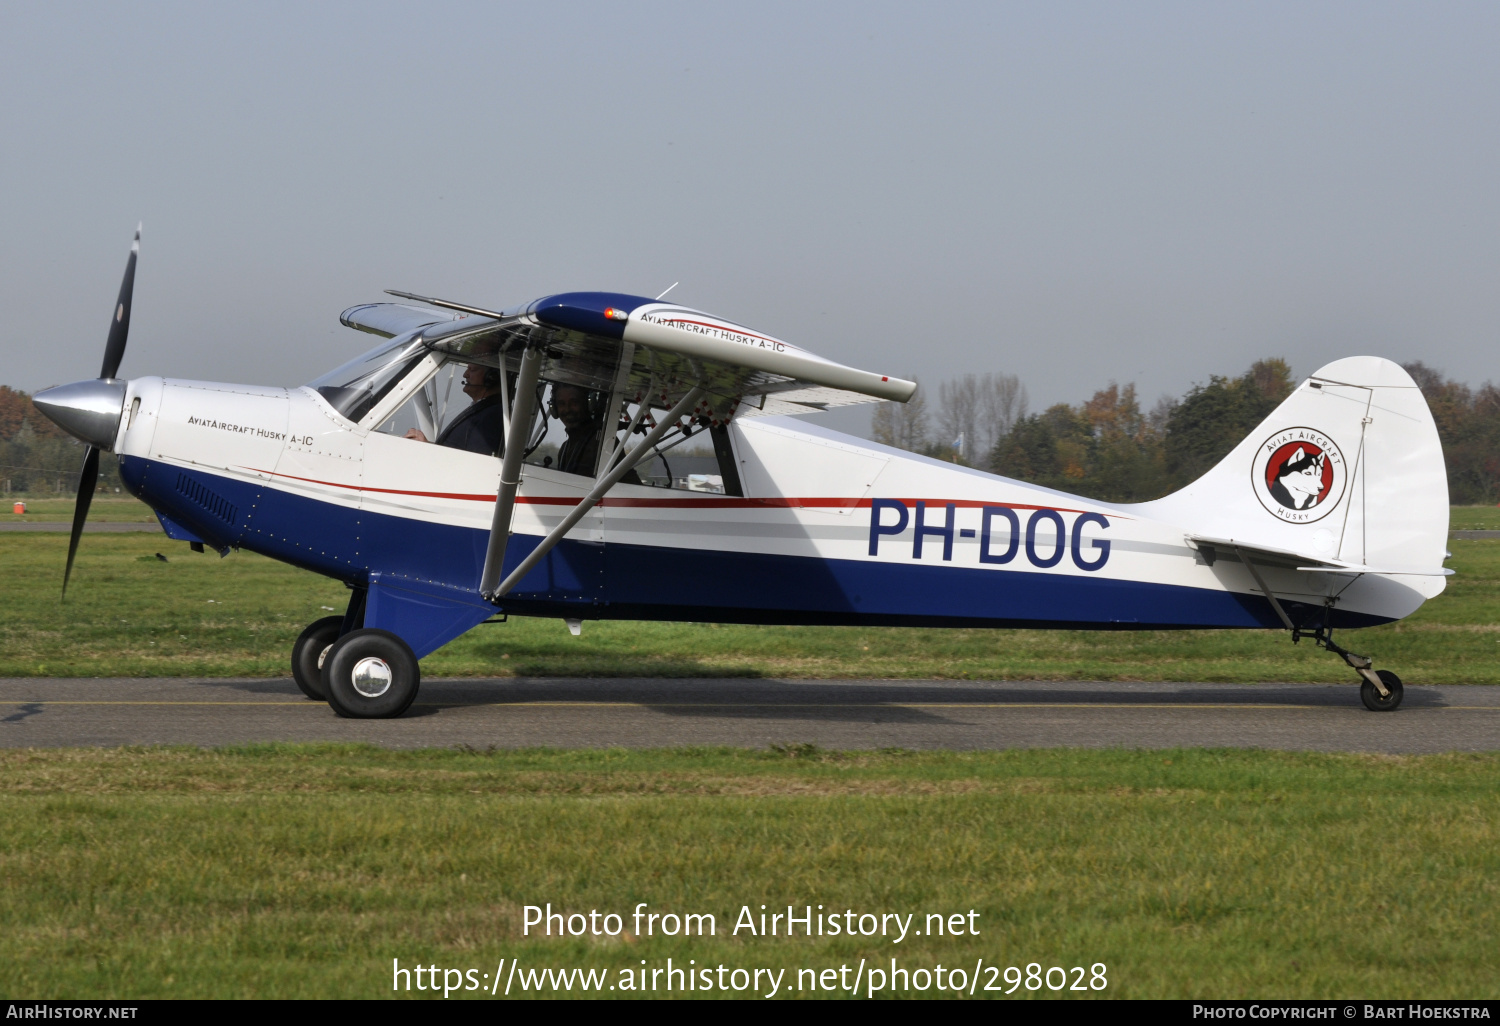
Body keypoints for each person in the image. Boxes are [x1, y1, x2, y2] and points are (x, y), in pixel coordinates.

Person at [405, 363, 505, 456]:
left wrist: (426, 447)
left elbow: (475, 461)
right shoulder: (486, 409)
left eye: (472, 369)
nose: (465, 374)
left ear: (492, 377)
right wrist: (428, 445)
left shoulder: (492, 416)